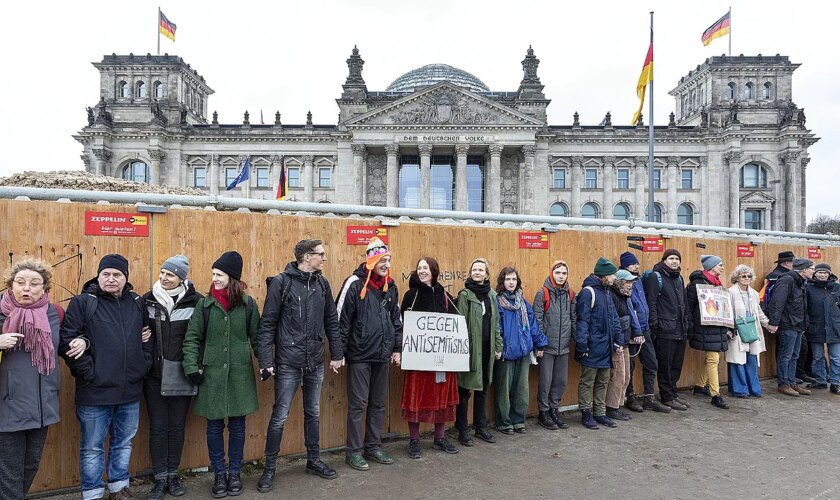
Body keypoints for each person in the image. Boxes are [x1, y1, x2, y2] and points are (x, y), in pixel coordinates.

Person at [59, 254, 152, 500]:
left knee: (124, 443)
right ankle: (92, 492)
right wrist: (90, 373)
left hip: (129, 391)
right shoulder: (83, 303)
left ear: (126, 278)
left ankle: (119, 488)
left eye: (117, 275)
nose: (111, 279)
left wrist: (142, 365)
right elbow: (67, 341)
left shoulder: (136, 301)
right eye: (106, 274)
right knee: (92, 447)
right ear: (98, 276)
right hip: (94, 392)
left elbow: (147, 337)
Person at [257, 240, 342, 492]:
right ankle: (269, 468)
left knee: (313, 413)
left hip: (315, 361)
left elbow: (332, 321)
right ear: (306, 257)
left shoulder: (322, 284)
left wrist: (336, 354)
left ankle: (313, 461)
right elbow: (268, 324)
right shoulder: (281, 283)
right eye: (321, 254)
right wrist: (266, 361)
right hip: (288, 364)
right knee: (279, 416)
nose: (325, 259)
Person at [182, 251, 260, 497]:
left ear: (232, 277)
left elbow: (257, 338)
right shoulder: (204, 306)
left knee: (238, 427)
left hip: (239, 376)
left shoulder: (248, 305)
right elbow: (192, 339)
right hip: (212, 378)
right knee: (214, 429)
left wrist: (267, 363)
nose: (214, 279)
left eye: (219, 274)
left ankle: (234, 473)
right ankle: (219, 474)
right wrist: (191, 367)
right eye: (213, 274)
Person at [335, 237, 402, 471]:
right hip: (360, 356)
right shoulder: (354, 283)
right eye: (382, 259)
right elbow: (340, 320)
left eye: (388, 260)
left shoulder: (391, 285)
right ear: (371, 260)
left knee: (378, 404)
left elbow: (396, 319)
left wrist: (396, 348)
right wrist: (338, 352)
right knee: (358, 404)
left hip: (382, 355)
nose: (386, 264)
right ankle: (353, 452)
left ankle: (373, 446)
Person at [0, 258, 62, 499]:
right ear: (11, 284)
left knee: (29, 468)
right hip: (7, 409)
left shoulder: (54, 313)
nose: (27, 288)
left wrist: (82, 341)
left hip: (42, 408)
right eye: (20, 282)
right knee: (9, 475)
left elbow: (66, 344)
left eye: (34, 283)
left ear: (44, 288)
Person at [142, 255, 202, 499]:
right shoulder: (147, 300)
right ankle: (159, 478)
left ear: (181, 278)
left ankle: (173, 475)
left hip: (182, 375)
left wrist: (197, 366)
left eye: (170, 274)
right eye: (163, 273)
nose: (164, 278)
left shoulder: (196, 302)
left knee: (177, 426)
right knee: (158, 426)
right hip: (154, 375)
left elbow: (200, 338)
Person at [399, 257, 460, 458]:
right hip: (418, 360)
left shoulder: (445, 296)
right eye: (419, 268)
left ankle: (439, 438)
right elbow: (403, 323)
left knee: (441, 397)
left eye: (426, 268)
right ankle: (414, 440)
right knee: (416, 397)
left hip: (441, 359)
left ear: (434, 270)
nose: (422, 271)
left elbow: (455, 322)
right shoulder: (411, 295)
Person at [454, 259, 502, 447]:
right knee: (465, 390)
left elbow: (496, 323)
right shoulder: (465, 294)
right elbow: (460, 323)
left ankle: (481, 428)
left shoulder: (491, 295)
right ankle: (462, 430)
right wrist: (462, 350)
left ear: (487, 274)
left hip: (487, 348)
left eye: (481, 270)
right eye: (474, 269)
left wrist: (498, 346)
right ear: (470, 272)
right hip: (470, 349)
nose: (477, 272)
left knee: (482, 389)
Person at [494, 267, 547, 434]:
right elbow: (497, 328)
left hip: (523, 352)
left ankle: (518, 420)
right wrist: (498, 348)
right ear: (502, 282)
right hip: (506, 353)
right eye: (508, 279)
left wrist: (540, 344)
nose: (511, 282)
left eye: (514, 279)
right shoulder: (497, 302)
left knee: (521, 390)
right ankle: (504, 422)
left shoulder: (523, 303)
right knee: (504, 390)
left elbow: (532, 326)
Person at [618, 252, 670, 414]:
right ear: (625, 266)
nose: (636, 266)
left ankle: (649, 397)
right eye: (633, 264)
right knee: (630, 367)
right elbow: (630, 309)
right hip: (634, 331)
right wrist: (636, 330)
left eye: (637, 263)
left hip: (644, 328)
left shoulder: (638, 280)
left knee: (651, 362)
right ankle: (630, 396)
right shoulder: (623, 283)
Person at [575, 257, 623, 430]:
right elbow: (582, 321)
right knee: (588, 381)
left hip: (606, 346)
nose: (614, 278)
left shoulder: (607, 291)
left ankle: (600, 413)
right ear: (604, 275)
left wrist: (618, 340)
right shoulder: (589, 292)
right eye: (612, 275)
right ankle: (586, 413)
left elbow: (613, 318)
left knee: (603, 380)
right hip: (592, 346)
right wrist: (582, 345)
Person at [533, 260, 576, 430]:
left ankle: (554, 409)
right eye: (558, 273)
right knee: (545, 381)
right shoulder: (542, 293)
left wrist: (574, 340)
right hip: (547, 347)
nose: (561, 276)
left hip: (564, 346)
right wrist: (540, 344)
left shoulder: (571, 294)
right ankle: (543, 412)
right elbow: (538, 320)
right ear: (552, 273)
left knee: (561, 381)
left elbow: (573, 318)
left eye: (564, 273)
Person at [645, 249, 690, 411]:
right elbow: (651, 303)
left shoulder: (679, 278)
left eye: (677, 258)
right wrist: (655, 325)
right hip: (665, 330)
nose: (674, 261)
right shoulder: (655, 277)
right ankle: (667, 396)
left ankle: (673, 393)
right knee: (665, 365)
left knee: (676, 365)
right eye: (671, 258)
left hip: (680, 329)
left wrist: (687, 324)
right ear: (664, 260)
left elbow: (684, 304)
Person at [686, 255, 731, 410]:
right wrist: (690, 327)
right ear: (711, 267)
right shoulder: (697, 284)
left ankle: (699, 385)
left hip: (715, 326)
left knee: (713, 357)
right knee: (713, 358)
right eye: (720, 265)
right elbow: (689, 307)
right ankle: (715, 395)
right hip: (705, 327)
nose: (722, 267)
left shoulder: (716, 284)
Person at [767, 258, 815, 397]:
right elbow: (777, 302)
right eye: (812, 268)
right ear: (804, 269)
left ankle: (792, 381)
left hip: (798, 325)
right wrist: (774, 322)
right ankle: (783, 384)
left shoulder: (801, 281)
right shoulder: (787, 280)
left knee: (794, 355)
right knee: (786, 355)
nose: (813, 271)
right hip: (788, 324)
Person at [726, 264, 772, 398]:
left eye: (749, 276)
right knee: (737, 359)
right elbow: (728, 312)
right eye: (743, 276)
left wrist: (768, 324)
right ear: (737, 278)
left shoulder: (754, 293)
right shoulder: (731, 292)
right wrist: (729, 329)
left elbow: (758, 311)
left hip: (752, 329)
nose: (746, 278)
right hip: (737, 330)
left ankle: (754, 389)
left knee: (752, 359)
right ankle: (739, 390)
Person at [605, 269, 642, 421]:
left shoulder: (625, 297)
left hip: (625, 341)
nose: (631, 285)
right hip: (618, 343)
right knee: (618, 376)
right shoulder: (613, 297)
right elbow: (613, 321)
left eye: (632, 282)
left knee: (626, 376)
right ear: (620, 282)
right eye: (628, 282)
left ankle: (618, 404)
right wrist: (617, 342)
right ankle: (611, 407)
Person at [805, 263, 840, 394]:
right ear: (815, 273)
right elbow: (805, 308)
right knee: (817, 357)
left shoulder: (837, 287)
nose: (823, 275)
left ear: (830, 274)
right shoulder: (809, 288)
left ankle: (835, 383)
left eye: (825, 273)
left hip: (835, 328)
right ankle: (820, 381)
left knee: (836, 357)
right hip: (815, 327)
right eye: (820, 272)